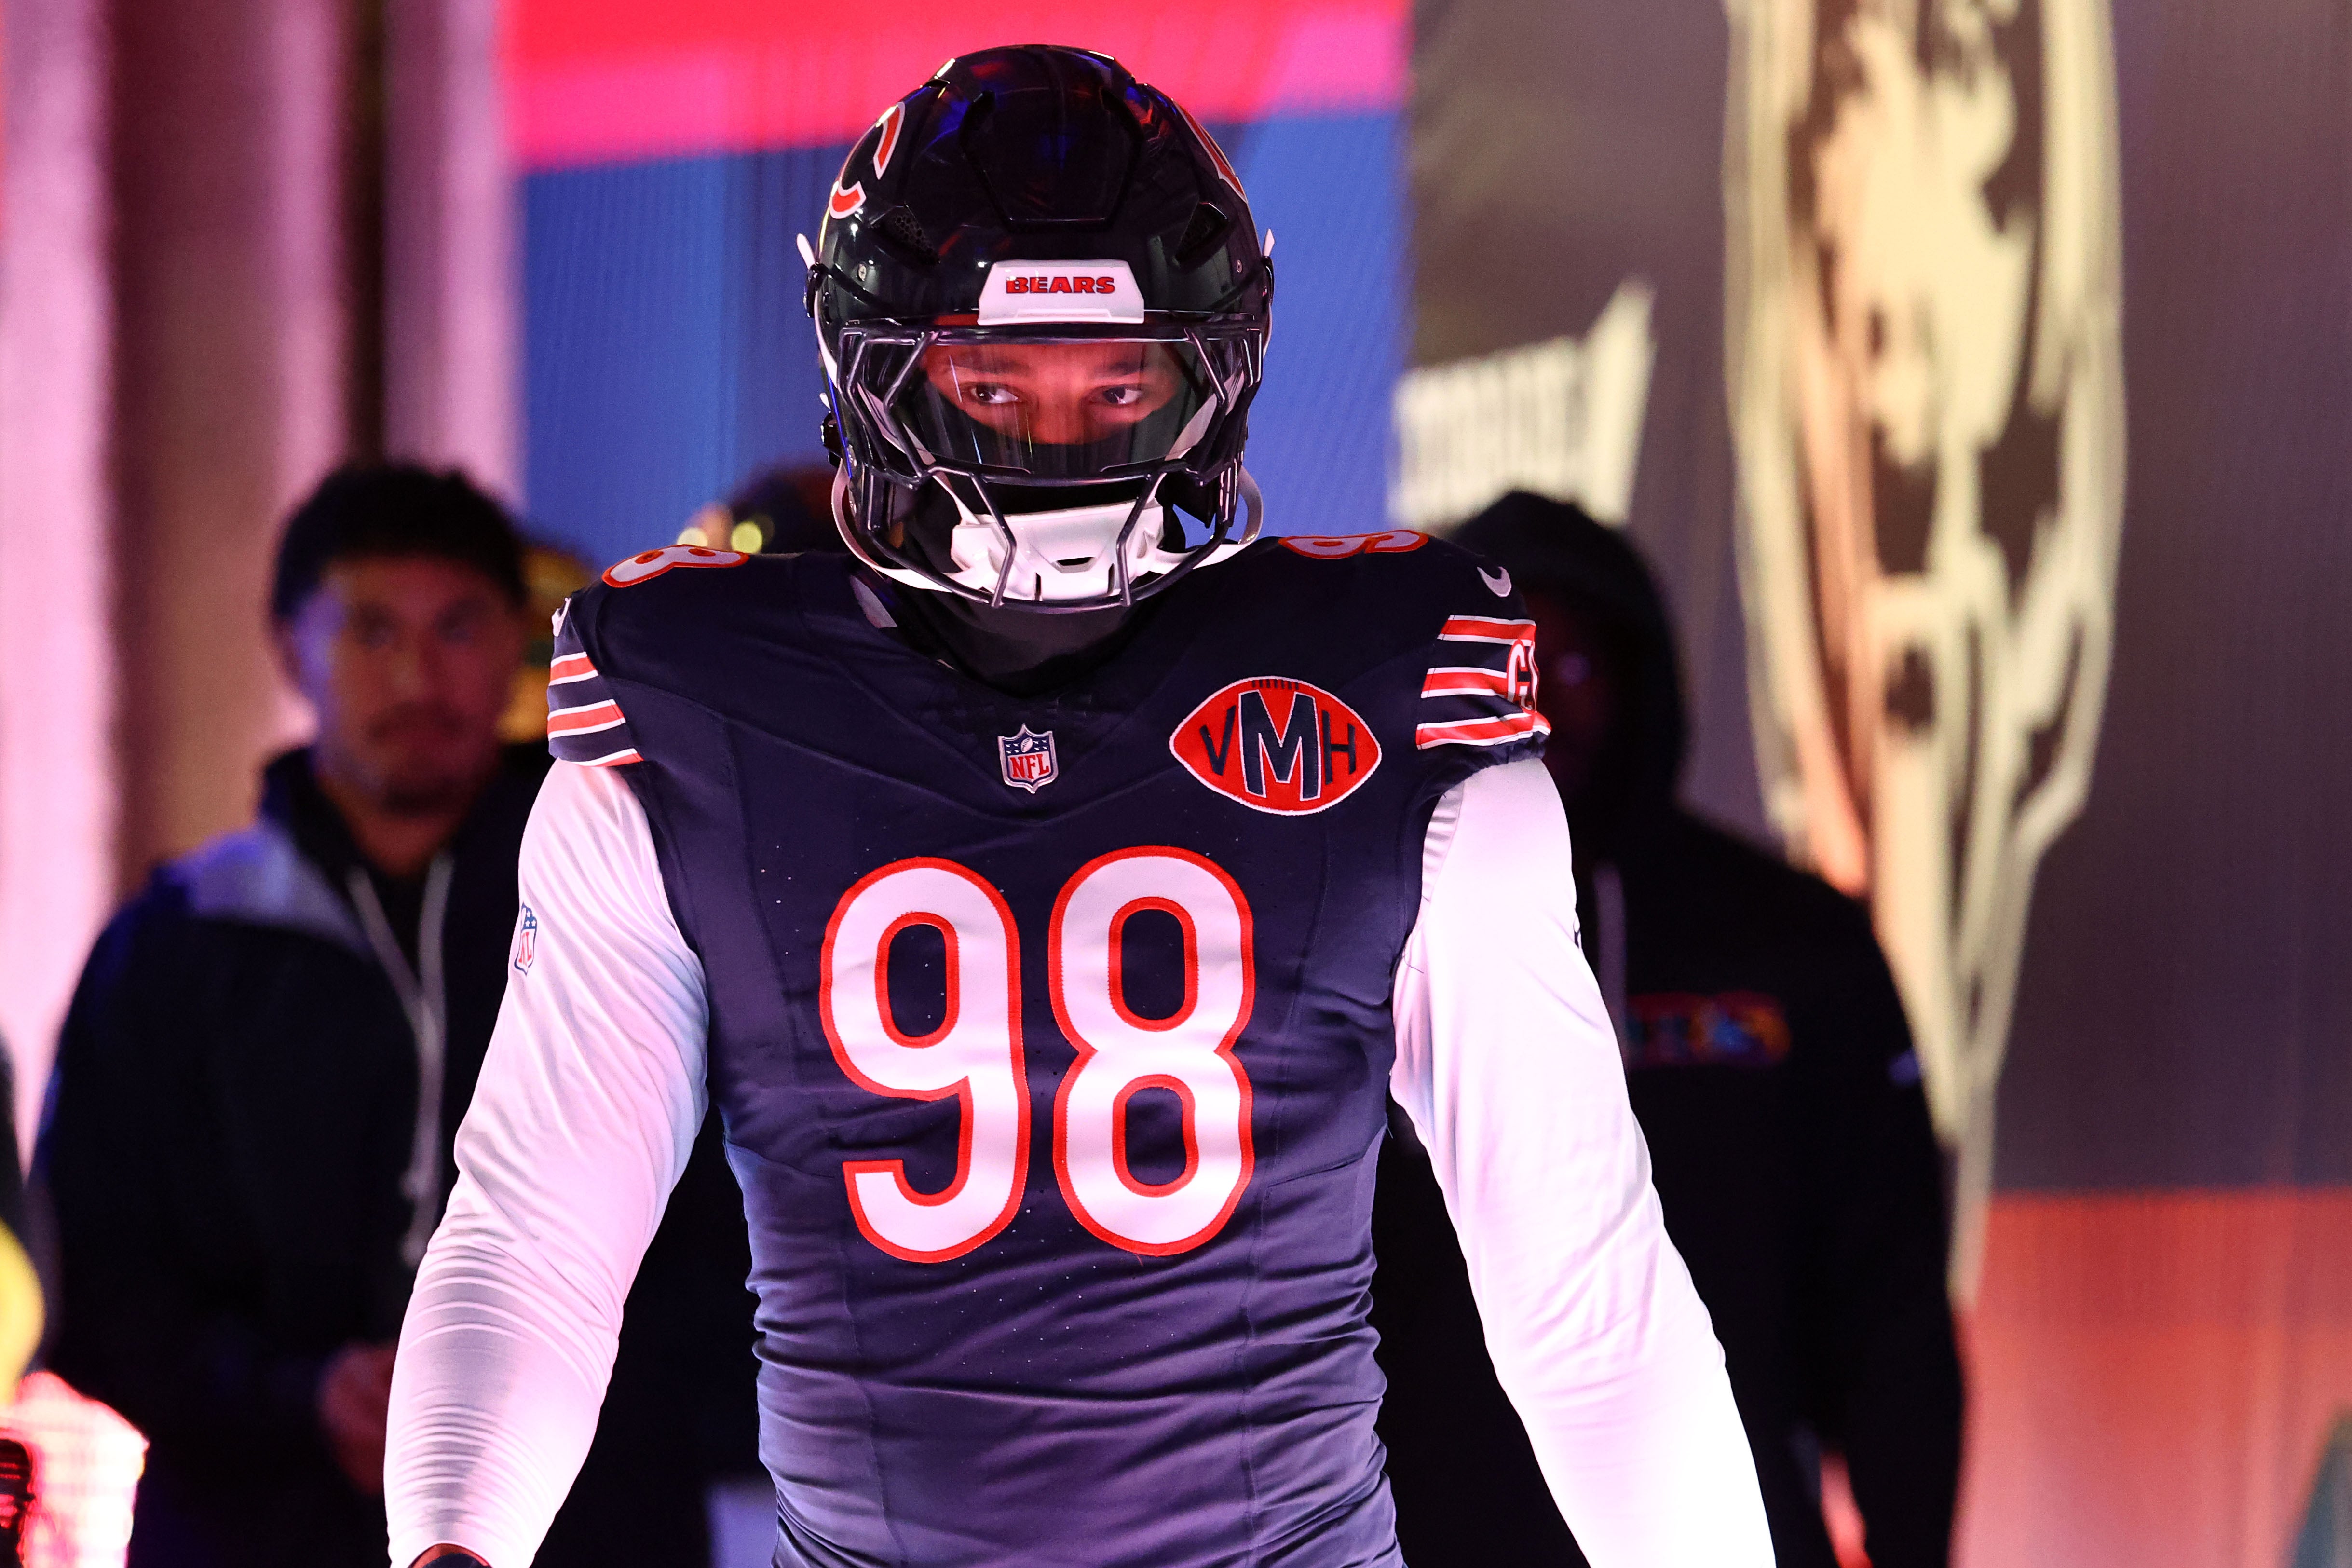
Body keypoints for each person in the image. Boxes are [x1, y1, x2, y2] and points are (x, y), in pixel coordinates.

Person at [384, 48, 1772, 1568]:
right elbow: (537, 1238)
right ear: (877, 369)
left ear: (1211, 372)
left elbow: (1580, 1283)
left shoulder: (1395, 705)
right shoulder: (699, 720)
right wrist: (454, 1540)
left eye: (1118, 382)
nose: (1056, 444)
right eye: (991, 382)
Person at [39, 466, 756, 1568]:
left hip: (593, 1525)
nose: (419, 676)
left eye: (460, 626)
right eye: (371, 630)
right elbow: (96, 1280)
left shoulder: (634, 901)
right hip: (251, 1534)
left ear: (520, 640)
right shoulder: (181, 943)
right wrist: (300, 1399)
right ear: (292, 646)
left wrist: (529, 1397)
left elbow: (744, 1229)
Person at [1372, 491, 1964, 1568]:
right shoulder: (1351, 938)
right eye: (1506, 670)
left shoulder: (1789, 945)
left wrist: (1909, 1541)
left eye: (1580, 668)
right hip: (1418, 1534)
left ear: (1640, 684)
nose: (1542, 706)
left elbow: (1891, 1311)